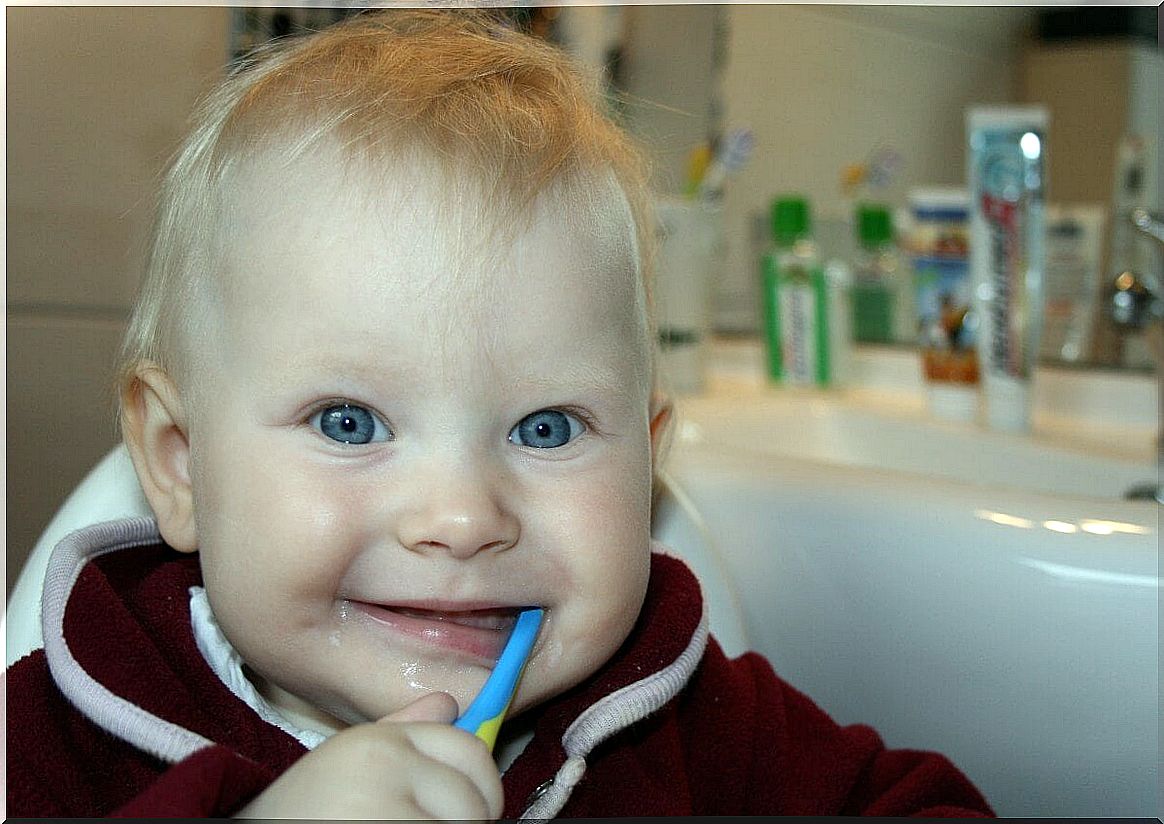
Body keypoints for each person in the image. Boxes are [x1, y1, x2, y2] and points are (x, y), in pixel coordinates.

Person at [5, 10, 994, 818]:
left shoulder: (694, 718)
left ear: (644, 464)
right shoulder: (59, 741)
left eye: (547, 428)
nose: (465, 517)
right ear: (180, 463)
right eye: (349, 421)